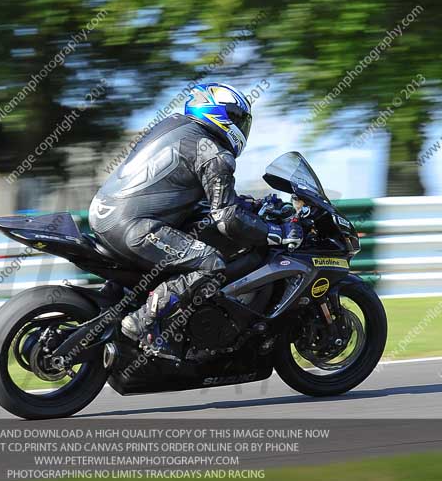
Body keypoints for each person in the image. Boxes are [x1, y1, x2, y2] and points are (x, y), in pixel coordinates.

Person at [89, 82, 302, 353]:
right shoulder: (213, 152)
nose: (241, 127)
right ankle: (142, 320)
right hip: (133, 226)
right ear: (219, 115)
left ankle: (116, 302)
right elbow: (226, 217)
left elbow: (182, 189)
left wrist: (249, 204)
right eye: (237, 118)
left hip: (106, 214)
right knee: (210, 263)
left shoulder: (173, 126)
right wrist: (275, 231)